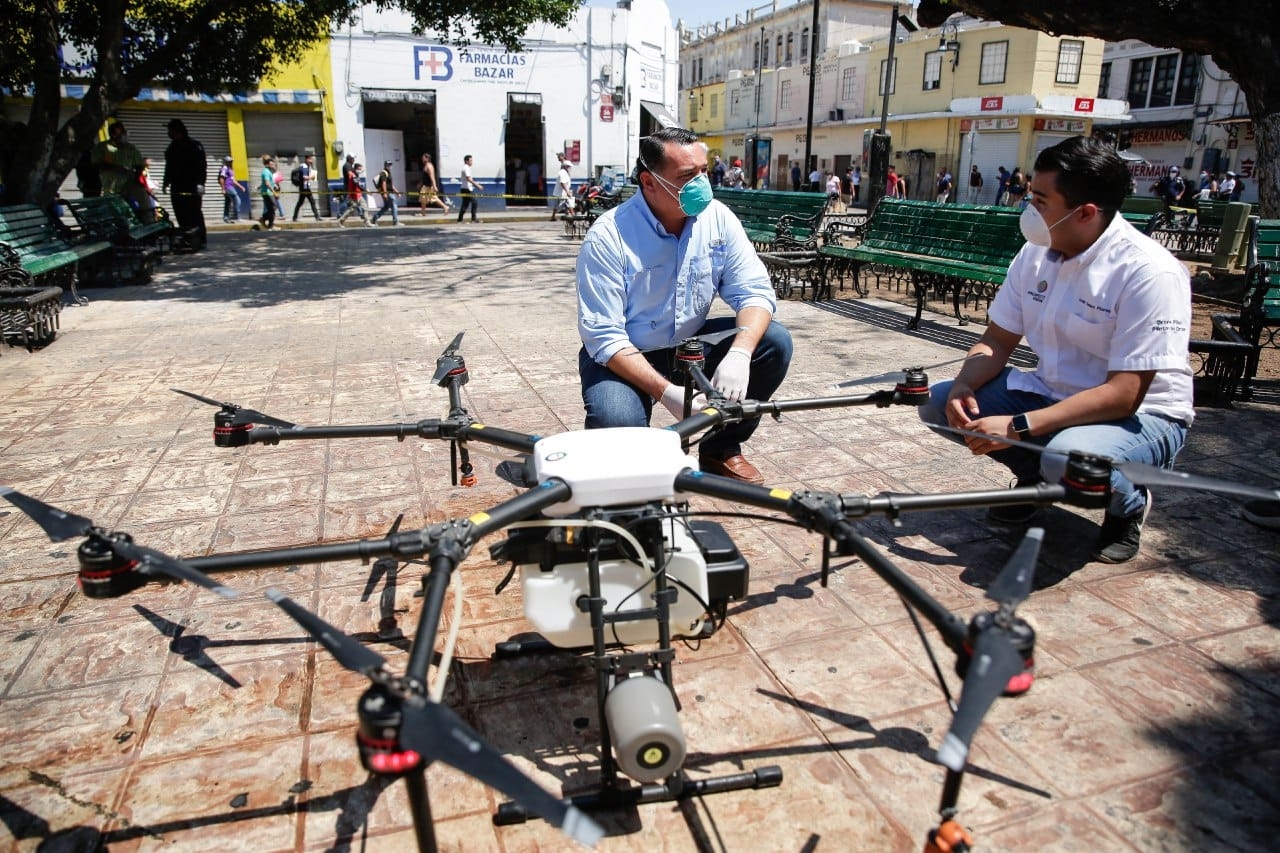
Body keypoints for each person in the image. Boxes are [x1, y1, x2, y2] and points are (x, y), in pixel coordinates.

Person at [917, 136, 1193, 564]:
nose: (1030, 210)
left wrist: (1019, 426)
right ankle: (1034, 484)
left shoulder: (1148, 272)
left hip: (1141, 415)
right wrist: (963, 386)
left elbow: (1125, 393)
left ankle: (1128, 505)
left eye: (1041, 200)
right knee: (938, 403)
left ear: (1085, 213)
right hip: (1053, 392)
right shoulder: (1035, 254)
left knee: (1068, 456)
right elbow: (996, 340)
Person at [575, 126, 794, 484]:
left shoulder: (718, 219)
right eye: (687, 176)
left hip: (690, 345)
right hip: (625, 356)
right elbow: (603, 336)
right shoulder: (609, 235)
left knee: (773, 342)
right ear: (648, 182)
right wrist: (667, 393)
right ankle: (628, 465)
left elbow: (754, 292)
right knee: (618, 430)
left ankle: (720, 448)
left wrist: (739, 353)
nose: (701, 184)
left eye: (704, 171)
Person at [162, 118, 207, 249]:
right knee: (180, 214)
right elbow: (169, 167)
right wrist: (166, 182)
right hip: (177, 187)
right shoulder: (172, 148)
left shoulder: (194, 145)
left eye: (170, 130)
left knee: (195, 213)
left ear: (177, 131)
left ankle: (200, 239)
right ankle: (187, 238)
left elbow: (202, 166)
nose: (168, 133)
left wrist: (201, 183)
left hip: (192, 186)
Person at [91, 122, 147, 213]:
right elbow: (96, 164)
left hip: (128, 187)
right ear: (113, 135)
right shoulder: (102, 148)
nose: (124, 136)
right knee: (112, 210)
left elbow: (139, 165)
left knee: (138, 202)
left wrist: (136, 179)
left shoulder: (130, 148)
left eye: (124, 133)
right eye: (121, 133)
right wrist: (116, 168)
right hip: (109, 187)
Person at [336, 161, 373, 227]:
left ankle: (367, 221)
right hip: (354, 196)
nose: (361, 170)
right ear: (356, 168)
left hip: (358, 195)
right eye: (359, 169)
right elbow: (357, 185)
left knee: (365, 207)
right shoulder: (353, 176)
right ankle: (340, 221)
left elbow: (358, 185)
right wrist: (366, 191)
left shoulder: (356, 175)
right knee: (351, 210)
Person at [370, 160, 401, 226]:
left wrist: (397, 192)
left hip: (389, 192)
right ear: (385, 166)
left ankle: (374, 218)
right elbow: (383, 183)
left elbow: (390, 185)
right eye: (388, 165)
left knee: (386, 207)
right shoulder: (384, 173)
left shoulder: (388, 173)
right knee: (394, 205)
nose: (390, 166)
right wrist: (385, 193)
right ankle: (395, 221)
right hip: (388, 193)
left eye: (390, 165)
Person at [252, 155, 279, 231]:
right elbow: (267, 183)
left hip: (267, 192)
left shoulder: (268, 171)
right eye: (272, 163)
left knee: (272, 209)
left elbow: (266, 182)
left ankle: (269, 223)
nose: (273, 164)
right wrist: (274, 192)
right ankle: (266, 221)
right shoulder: (266, 172)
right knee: (273, 208)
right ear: (268, 163)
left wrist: (274, 185)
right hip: (267, 193)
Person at [292, 154, 322, 221]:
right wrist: (311, 177)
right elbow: (304, 177)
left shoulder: (307, 166)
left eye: (311, 159)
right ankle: (295, 217)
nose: (311, 161)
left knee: (310, 202)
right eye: (310, 159)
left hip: (306, 187)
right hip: (304, 188)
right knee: (302, 203)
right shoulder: (304, 167)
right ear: (307, 159)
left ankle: (317, 217)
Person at [219, 156, 245, 222]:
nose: (231, 162)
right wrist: (223, 189)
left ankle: (225, 218)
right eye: (230, 161)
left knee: (227, 202)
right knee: (237, 200)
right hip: (228, 187)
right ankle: (238, 217)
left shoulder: (230, 169)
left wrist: (241, 186)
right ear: (226, 162)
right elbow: (221, 178)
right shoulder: (224, 168)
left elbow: (233, 181)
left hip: (230, 186)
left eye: (231, 161)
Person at [457, 154, 481, 223]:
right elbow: (468, 179)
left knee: (465, 205)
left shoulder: (466, 168)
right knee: (474, 203)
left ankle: (460, 219)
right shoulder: (466, 168)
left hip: (466, 188)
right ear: (466, 161)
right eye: (470, 160)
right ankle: (473, 219)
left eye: (471, 160)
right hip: (466, 189)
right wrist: (477, 185)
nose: (472, 162)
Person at [138, 157, 160, 224]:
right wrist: (151, 193)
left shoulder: (146, 170)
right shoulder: (143, 171)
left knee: (155, 209)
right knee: (152, 210)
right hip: (147, 193)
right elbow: (144, 183)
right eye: (148, 161)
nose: (150, 163)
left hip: (149, 193)